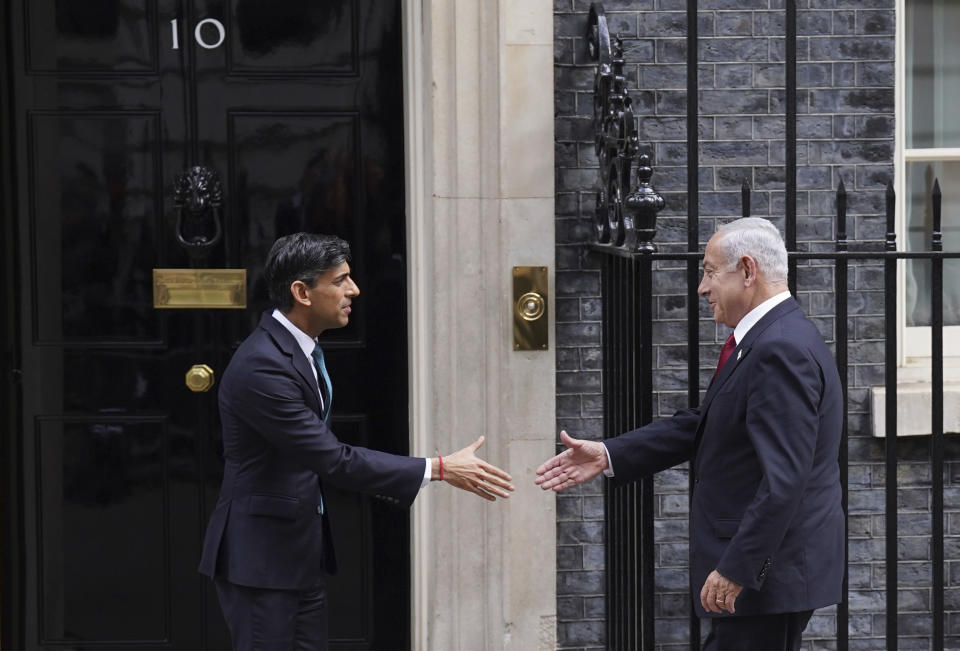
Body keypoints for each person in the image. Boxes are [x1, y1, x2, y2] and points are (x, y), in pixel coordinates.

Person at [535, 217, 844, 651]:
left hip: (767, 579)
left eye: (710, 271)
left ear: (748, 272)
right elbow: (705, 422)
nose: (702, 287)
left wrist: (737, 567)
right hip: (767, 576)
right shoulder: (769, 338)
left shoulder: (780, 349)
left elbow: (785, 479)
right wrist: (610, 453)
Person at [199, 232, 514, 650]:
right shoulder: (262, 366)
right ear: (302, 292)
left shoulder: (298, 350)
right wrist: (437, 468)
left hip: (296, 554)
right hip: (261, 561)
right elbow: (332, 458)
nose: (354, 290)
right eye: (340, 280)